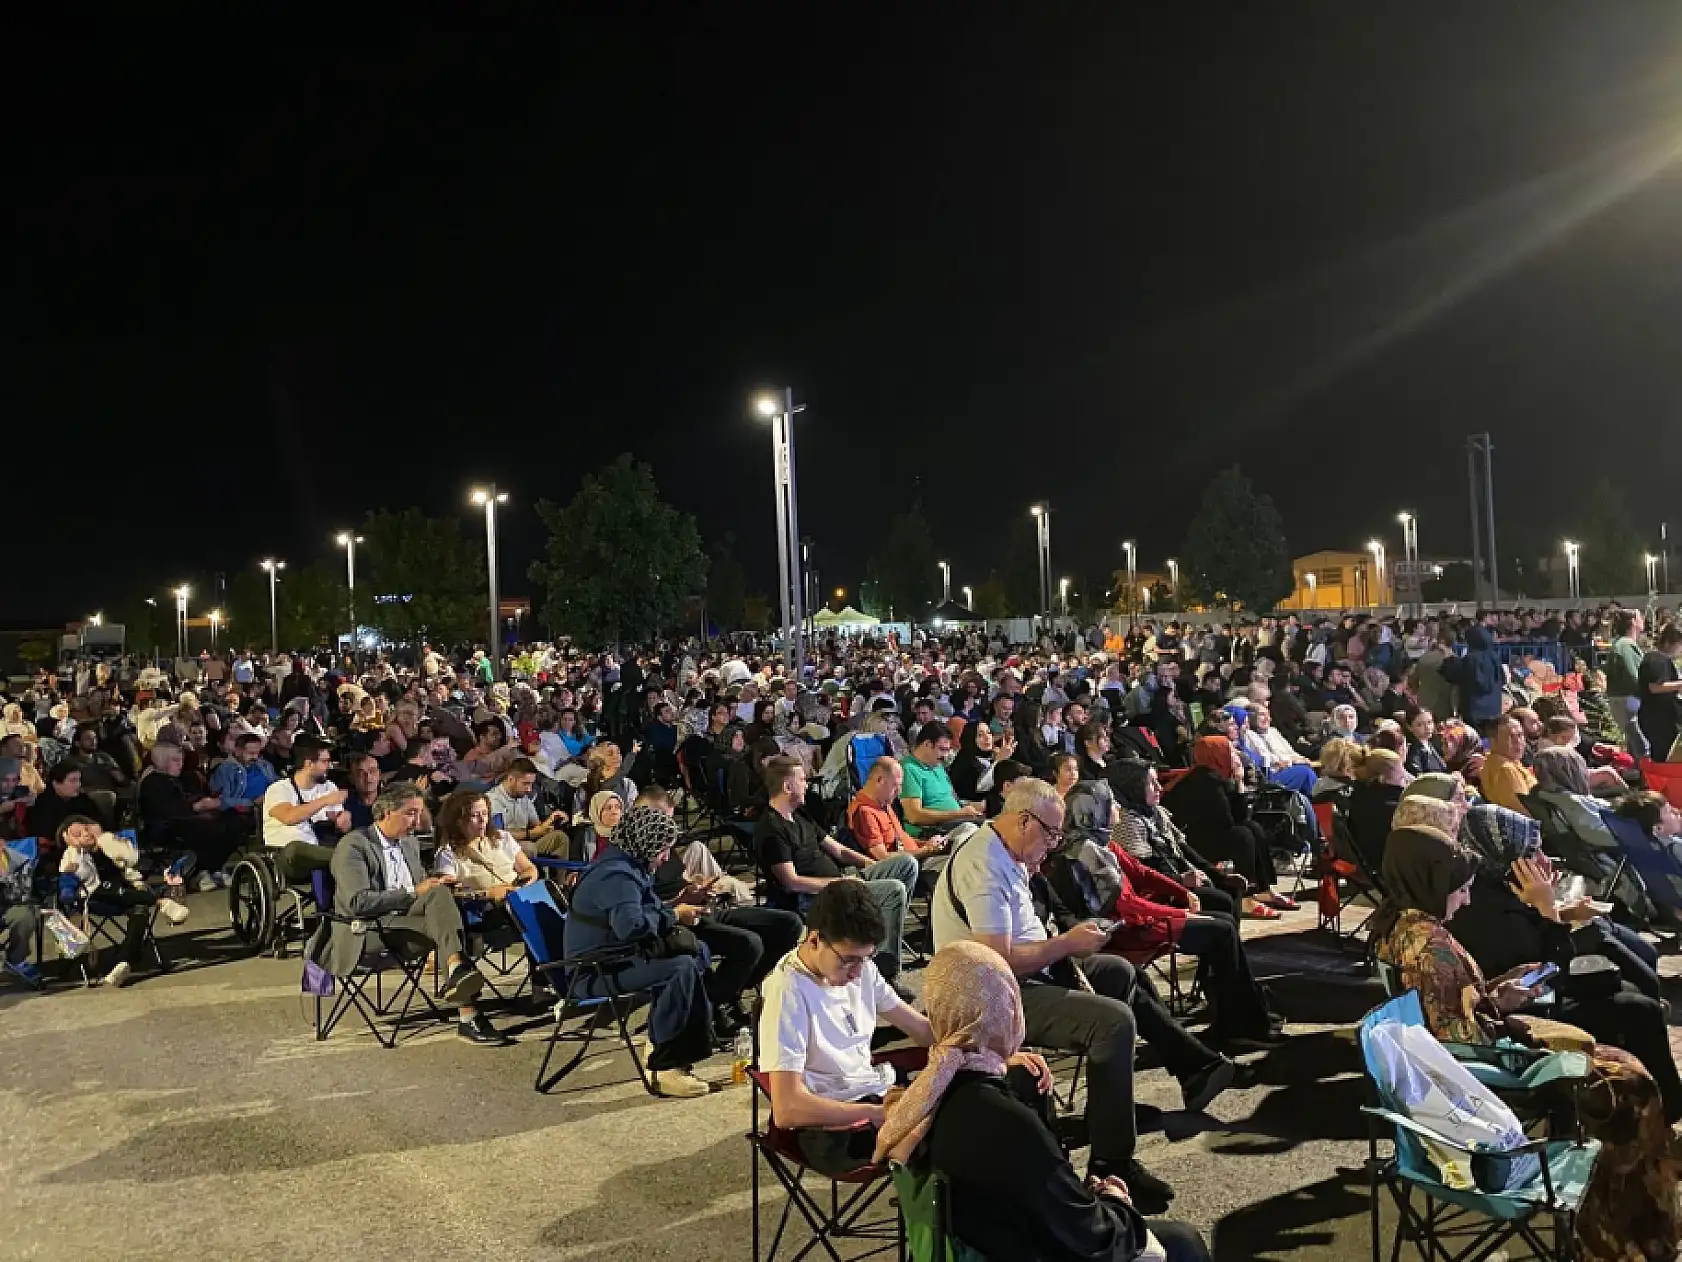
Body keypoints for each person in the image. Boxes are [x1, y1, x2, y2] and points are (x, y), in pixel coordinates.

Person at [1370, 824, 1679, 1262]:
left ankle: (1636, 1219)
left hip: (1472, 1061)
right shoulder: (1431, 950)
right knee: (1631, 1090)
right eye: (1461, 889)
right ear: (1432, 882)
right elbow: (1459, 1050)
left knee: (1626, 1063)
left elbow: (1452, 1018)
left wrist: (1497, 995)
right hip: (1484, 1084)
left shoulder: (1402, 924)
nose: (1468, 899)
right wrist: (1525, 1040)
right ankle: (1629, 1237)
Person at [931, 776, 1236, 1213]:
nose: (1054, 844)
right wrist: (1068, 944)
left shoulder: (1010, 852)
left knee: (1118, 972)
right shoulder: (983, 864)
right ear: (1023, 821)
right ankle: (1112, 1163)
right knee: (1113, 1023)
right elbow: (996, 959)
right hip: (993, 997)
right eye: (1051, 833)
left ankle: (1184, 1072)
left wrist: (1065, 942)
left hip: (1028, 974)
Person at [877, 940, 1212, 1262]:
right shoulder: (1002, 1120)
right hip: (1023, 1249)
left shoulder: (926, 1095)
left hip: (977, 1245)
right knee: (1181, 1242)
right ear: (1004, 1013)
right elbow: (1089, 1236)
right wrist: (1117, 1202)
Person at [1043, 754, 1280, 1049]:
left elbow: (1142, 874)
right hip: (1124, 931)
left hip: (1138, 918)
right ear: (1093, 811)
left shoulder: (1102, 841)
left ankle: (1242, 1015)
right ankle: (1239, 1023)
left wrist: (1184, 894)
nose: (1116, 807)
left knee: (1222, 922)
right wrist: (1180, 912)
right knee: (1221, 930)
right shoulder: (1086, 853)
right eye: (1109, 803)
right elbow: (1127, 906)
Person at [306, 784, 508, 1046]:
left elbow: (422, 890)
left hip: (406, 922)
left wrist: (438, 882)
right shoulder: (354, 846)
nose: (418, 821)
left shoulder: (409, 843)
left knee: (441, 896)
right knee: (446, 925)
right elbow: (357, 903)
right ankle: (467, 1009)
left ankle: (460, 981)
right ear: (387, 812)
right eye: (410, 813)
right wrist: (414, 891)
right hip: (366, 929)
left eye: (420, 813)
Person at [758, 880, 935, 1171]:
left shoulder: (862, 967)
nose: (857, 972)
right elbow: (787, 1109)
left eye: (867, 959)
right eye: (848, 960)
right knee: (953, 1136)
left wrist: (994, 1054)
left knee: (974, 1102)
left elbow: (922, 1029)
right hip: (831, 1125)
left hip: (873, 1093)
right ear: (814, 940)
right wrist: (875, 1113)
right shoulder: (787, 991)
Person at [564, 806, 715, 1097]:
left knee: (697, 952)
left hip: (615, 956)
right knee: (679, 968)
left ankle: (675, 1038)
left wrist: (675, 906)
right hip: (593, 970)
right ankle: (664, 1064)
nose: (666, 857)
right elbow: (630, 926)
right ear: (647, 843)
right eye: (664, 850)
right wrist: (674, 916)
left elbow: (639, 912)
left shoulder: (627, 863)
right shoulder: (616, 876)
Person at [755, 755, 919, 998]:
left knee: (905, 864)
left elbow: (839, 850)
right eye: (802, 780)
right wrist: (840, 883)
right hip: (816, 898)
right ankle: (886, 973)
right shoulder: (771, 828)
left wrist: (874, 864)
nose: (807, 784)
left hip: (841, 884)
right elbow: (792, 882)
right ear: (787, 786)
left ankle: (872, 938)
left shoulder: (800, 816)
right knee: (893, 889)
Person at [1160, 736, 1292, 917]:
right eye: (1230, 751)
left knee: (1253, 827)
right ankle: (1246, 897)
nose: (1236, 755)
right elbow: (1227, 821)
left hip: (1208, 833)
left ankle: (1262, 889)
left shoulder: (1215, 776)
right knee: (1242, 835)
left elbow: (1239, 817)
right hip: (1193, 843)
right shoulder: (1205, 781)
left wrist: (1239, 784)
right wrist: (1238, 784)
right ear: (1218, 755)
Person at [57, 815, 190, 988]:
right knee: (127, 896)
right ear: (68, 838)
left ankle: (123, 962)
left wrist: (105, 840)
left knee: (140, 909)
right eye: (78, 833)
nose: (86, 834)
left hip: (127, 893)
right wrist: (68, 891)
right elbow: (67, 879)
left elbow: (132, 859)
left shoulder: (108, 844)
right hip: (95, 899)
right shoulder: (74, 857)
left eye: (87, 829)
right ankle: (161, 902)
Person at [262, 736, 353, 884]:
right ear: (309, 763)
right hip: (287, 855)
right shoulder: (279, 789)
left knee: (354, 839)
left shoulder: (329, 787)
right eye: (324, 762)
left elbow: (343, 825)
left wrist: (343, 819)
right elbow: (289, 817)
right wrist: (325, 801)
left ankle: (347, 857)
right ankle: (347, 856)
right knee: (296, 848)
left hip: (322, 849)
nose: (329, 766)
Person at [846, 758, 947, 883]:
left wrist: (928, 844)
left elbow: (902, 840)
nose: (899, 791)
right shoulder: (865, 812)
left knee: (964, 831)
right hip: (911, 868)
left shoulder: (884, 803)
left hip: (919, 856)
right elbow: (883, 858)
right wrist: (927, 850)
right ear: (880, 780)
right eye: (896, 785)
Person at [430, 789, 539, 900]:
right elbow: (448, 894)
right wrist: (487, 894)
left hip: (521, 897)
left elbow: (529, 869)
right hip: (488, 908)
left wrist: (517, 887)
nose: (482, 820)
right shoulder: (448, 853)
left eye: (485, 814)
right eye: (474, 815)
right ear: (459, 820)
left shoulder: (502, 837)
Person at [899, 721, 985, 837]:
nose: (945, 756)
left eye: (947, 750)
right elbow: (915, 816)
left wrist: (972, 807)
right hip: (933, 831)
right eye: (942, 749)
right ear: (928, 744)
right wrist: (958, 814)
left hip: (956, 822)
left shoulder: (937, 765)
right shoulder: (908, 769)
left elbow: (954, 799)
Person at [484, 758, 570, 856]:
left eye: (531, 784)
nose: (529, 789)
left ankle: (564, 871)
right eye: (525, 784)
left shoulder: (524, 797)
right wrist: (530, 834)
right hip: (503, 848)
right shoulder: (492, 800)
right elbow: (498, 835)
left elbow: (537, 826)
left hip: (527, 844)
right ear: (511, 779)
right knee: (528, 847)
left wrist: (551, 820)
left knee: (560, 837)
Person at [0, 833, 43, 989]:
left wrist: (4, 877)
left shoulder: (21, 861)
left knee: (25, 915)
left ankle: (16, 959)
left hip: (10, 906)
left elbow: (23, 894)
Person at [1604, 609, 1648, 758]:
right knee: (1641, 745)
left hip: (1621, 699)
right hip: (1628, 699)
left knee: (1634, 744)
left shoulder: (1620, 644)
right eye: (1639, 616)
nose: (1643, 619)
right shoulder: (1626, 645)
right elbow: (1634, 675)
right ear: (1633, 622)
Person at [1637, 622, 1682, 762]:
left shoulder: (1663, 660)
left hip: (1664, 719)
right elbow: (1654, 687)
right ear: (1670, 642)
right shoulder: (1656, 659)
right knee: (1662, 757)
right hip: (1657, 720)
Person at [1478, 714, 1538, 815]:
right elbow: (1525, 811)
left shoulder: (1498, 760)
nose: (1518, 742)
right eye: (1511, 736)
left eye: (1520, 735)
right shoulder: (1506, 769)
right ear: (1493, 741)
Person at [26, 761, 102, 840]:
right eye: (73, 781)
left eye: (79, 780)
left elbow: (100, 823)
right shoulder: (42, 805)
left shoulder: (83, 799)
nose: (78, 784)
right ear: (55, 783)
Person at [207, 733, 279, 814]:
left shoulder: (265, 765)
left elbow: (277, 784)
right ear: (237, 751)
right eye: (251, 753)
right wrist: (252, 802)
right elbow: (222, 801)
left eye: (257, 753)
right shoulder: (226, 769)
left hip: (272, 806)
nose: (255, 757)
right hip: (245, 813)